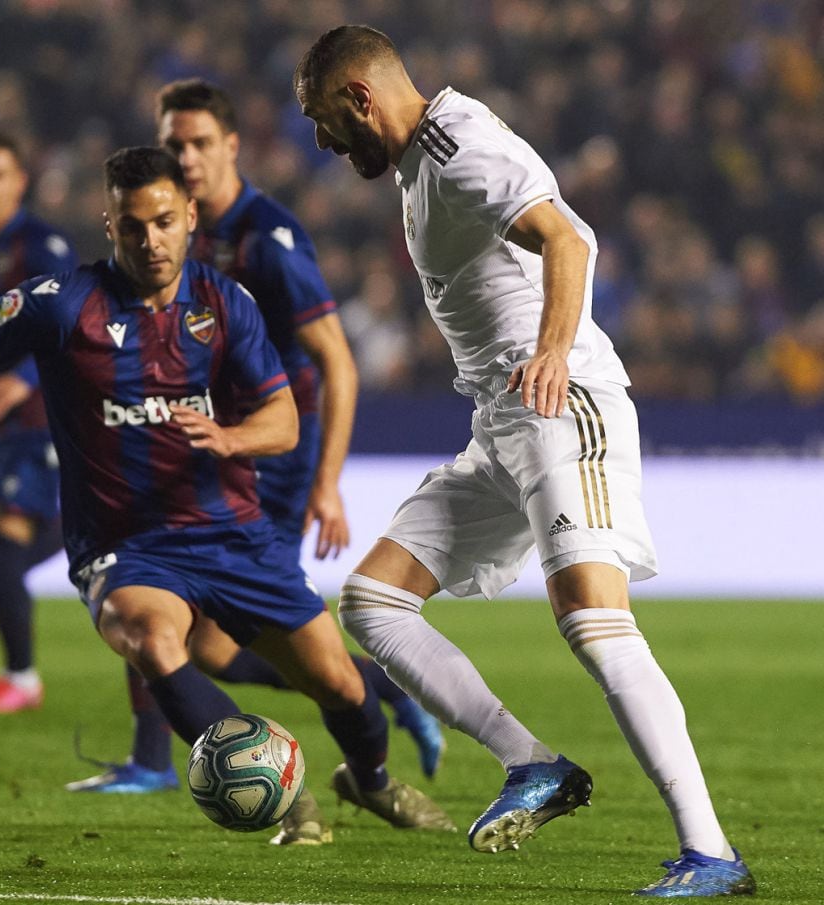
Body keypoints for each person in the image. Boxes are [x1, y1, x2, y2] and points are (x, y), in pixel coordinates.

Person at [293, 25, 754, 897]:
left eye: (324, 119)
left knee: (589, 613)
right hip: (501, 423)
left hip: (558, 397)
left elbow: (568, 239)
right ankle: (532, 763)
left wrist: (549, 351)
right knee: (374, 600)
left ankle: (712, 852)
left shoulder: (457, 143)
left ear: (359, 97)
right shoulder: (418, 163)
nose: (322, 141)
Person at [0, 146, 454, 845]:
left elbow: (283, 420)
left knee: (342, 685)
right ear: (109, 224)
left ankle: (371, 781)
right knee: (152, 638)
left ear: (190, 216)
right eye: (132, 225)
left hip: (235, 535)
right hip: (129, 547)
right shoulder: (64, 303)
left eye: (164, 221)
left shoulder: (226, 304)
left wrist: (231, 439)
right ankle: (283, 794)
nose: (150, 239)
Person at [64, 79, 444, 796]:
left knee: (233, 636)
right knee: (167, 597)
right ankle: (166, 754)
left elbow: (336, 360)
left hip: (270, 456)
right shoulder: (171, 226)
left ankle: (369, 705)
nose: (186, 155)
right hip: (199, 443)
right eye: (174, 143)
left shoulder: (266, 239)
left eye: (199, 143)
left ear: (231, 146)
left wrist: (327, 481)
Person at [0, 129, 77, 713]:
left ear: (19, 181)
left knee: (1, 548)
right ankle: (20, 675)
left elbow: (73, 317)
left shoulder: (39, 246)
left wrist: (23, 378)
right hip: (6, 423)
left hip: (46, 414)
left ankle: (21, 678)